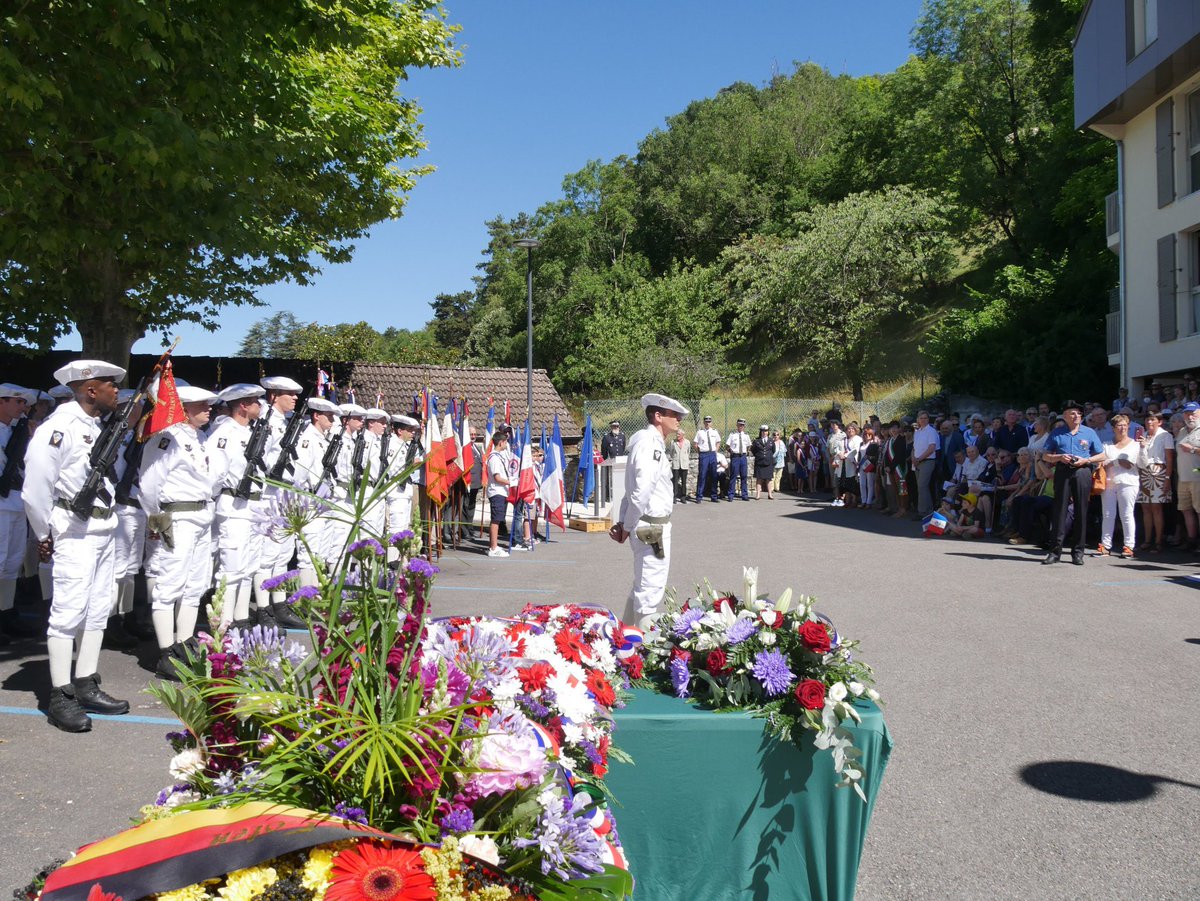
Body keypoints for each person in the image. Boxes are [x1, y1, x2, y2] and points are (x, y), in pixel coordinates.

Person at [23, 359, 131, 732]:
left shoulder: (97, 426)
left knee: (98, 608)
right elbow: (35, 490)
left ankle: (86, 681)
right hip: (74, 530)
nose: (116, 390)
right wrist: (44, 534)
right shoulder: (58, 429)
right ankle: (60, 695)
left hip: (104, 527)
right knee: (68, 612)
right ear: (89, 389)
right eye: (110, 385)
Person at [139, 386, 218, 679]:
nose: (209, 407)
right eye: (202, 404)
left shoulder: (199, 438)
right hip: (178, 517)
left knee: (195, 585)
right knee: (169, 585)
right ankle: (166, 651)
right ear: (184, 408)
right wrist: (156, 519)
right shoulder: (166, 438)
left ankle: (184, 643)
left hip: (200, 516)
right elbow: (148, 484)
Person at [611, 393, 687, 628]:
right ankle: (639, 655)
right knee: (649, 593)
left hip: (650, 524)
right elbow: (640, 491)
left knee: (642, 587)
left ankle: (624, 638)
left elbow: (630, 490)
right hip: (651, 527)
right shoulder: (649, 444)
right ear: (658, 416)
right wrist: (627, 524)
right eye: (673, 414)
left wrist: (625, 523)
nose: (678, 419)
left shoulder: (648, 443)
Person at [208, 384, 279, 627]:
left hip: (254, 508)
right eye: (255, 401)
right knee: (231, 568)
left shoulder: (251, 433)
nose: (260, 405)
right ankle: (224, 623)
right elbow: (214, 476)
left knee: (248, 567)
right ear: (242, 406)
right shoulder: (223, 434)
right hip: (235, 507)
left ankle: (240, 618)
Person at [257, 375, 304, 625]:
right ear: (274, 395)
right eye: (289, 393)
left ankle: (279, 604)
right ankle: (263, 608)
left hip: (284, 493)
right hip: (268, 493)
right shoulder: (265, 422)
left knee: (282, 554)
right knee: (267, 556)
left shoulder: (283, 423)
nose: (295, 397)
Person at [1042, 401, 1104, 565]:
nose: (1076, 416)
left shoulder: (1089, 432)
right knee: (1059, 510)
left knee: (1081, 511)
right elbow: (1045, 455)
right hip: (1062, 471)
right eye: (1072, 413)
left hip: (1082, 471)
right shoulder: (1057, 433)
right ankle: (1055, 552)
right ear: (1065, 416)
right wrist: (1059, 457)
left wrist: (1087, 459)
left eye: (1078, 413)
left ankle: (1078, 552)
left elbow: (1102, 455)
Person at [0, 384, 35, 644]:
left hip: (16, 500)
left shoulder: (20, 431)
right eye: (17, 401)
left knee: (12, 563)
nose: (22, 407)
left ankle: (6, 613)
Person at [1098, 413, 1139, 558]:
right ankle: (1105, 545)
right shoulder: (1106, 445)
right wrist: (1117, 461)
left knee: (1126, 514)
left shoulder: (1135, 444)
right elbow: (1102, 462)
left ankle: (1129, 546)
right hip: (1109, 482)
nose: (1122, 428)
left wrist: (1112, 461)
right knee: (1108, 514)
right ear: (1113, 428)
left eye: (1125, 425)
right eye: (1119, 425)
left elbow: (1128, 464)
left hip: (1128, 482)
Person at [1136, 410, 1174, 553]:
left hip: (1159, 473)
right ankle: (1147, 540)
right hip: (1144, 472)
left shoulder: (1166, 435)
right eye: (1147, 420)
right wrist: (1142, 446)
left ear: (1160, 421)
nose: (1149, 422)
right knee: (1145, 508)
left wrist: (1167, 478)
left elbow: (1170, 459)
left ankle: (1158, 541)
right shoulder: (1143, 435)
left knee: (1157, 508)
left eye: (1152, 419)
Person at [1174, 402, 1200, 551]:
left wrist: (1192, 450)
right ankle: (1192, 540)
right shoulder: (1183, 431)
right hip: (1183, 477)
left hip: (1197, 476)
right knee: (1185, 509)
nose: (1190, 416)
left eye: (1193, 413)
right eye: (1187, 413)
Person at [485, 428, 513, 557]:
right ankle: (493, 548)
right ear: (501, 443)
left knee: (498, 519)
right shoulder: (494, 458)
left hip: (501, 491)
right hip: (497, 491)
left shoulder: (499, 456)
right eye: (505, 442)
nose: (506, 444)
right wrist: (511, 482)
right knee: (495, 520)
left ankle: (494, 545)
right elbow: (497, 477)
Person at [911, 411, 939, 519]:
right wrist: (914, 458)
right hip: (917, 462)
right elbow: (914, 448)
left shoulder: (931, 431)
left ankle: (922, 512)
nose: (923, 420)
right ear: (918, 420)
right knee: (922, 487)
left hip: (927, 461)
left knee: (922, 486)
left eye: (925, 418)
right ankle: (928, 511)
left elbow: (931, 448)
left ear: (928, 419)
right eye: (921, 418)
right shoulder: (917, 432)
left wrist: (919, 458)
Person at [693, 415, 721, 503]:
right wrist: (700, 453)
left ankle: (714, 496)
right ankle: (699, 496)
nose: (707, 423)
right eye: (706, 422)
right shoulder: (700, 432)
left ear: (711, 422)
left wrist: (715, 451)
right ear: (704, 422)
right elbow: (695, 444)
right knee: (702, 475)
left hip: (712, 454)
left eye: (709, 422)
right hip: (704, 454)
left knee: (714, 475)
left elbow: (718, 442)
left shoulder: (714, 432)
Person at [600, 419, 625, 503]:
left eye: (617, 426)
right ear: (611, 427)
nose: (616, 428)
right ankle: (608, 496)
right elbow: (603, 450)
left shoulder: (622, 436)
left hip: (620, 462)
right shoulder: (607, 437)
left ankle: (620, 494)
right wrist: (606, 460)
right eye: (614, 426)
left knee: (620, 479)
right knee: (609, 480)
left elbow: (623, 448)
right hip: (610, 461)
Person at [725, 418, 751, 501]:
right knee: (733, 476)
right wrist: (731, 452)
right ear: (737, 425)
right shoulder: (732, 435)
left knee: (744, 476)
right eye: (740, 425)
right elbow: (727, 446)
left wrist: (746, 452)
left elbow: (748, 445)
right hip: (735, 457)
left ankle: (744, 495)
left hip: (743, 457)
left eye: (743, 425)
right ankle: (731, 495)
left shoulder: (746, 435)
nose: (741, 426)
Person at [750, 425, 776, 499]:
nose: (764, 432)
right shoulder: (756, 441)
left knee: (769, 479)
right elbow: (753, 450)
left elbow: (773, 450)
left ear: (768, 432)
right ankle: (758, 495)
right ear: (760, 432)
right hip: (759, 462)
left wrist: (767, 456)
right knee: (759, 479)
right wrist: (760, 456)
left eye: (766, 431)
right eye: (763, 431)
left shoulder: (771, 441)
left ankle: (770, 494)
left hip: (768, 462)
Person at [667, 427, 690, 503]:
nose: (677, 435)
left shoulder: (687, 442)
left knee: (684, 481)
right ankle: (674, 496)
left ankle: (683, 497)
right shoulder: (673, 442)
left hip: (684, 464)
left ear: (683, 435)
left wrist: (684, 459)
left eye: (679, 434)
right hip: (676, 464)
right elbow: (671, 452)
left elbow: (688, 452)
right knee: (675, 481)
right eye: (677, 434)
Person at [771, 429, 787, 496]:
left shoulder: (782, 442)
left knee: (779, 476)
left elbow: (785, 451)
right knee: (773, 476)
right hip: (773, 461)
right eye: (774, 435)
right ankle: (771, 488)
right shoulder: (771, 442)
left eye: (777, 435)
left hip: (780, 461)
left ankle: (777, 488)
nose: (776, 436)